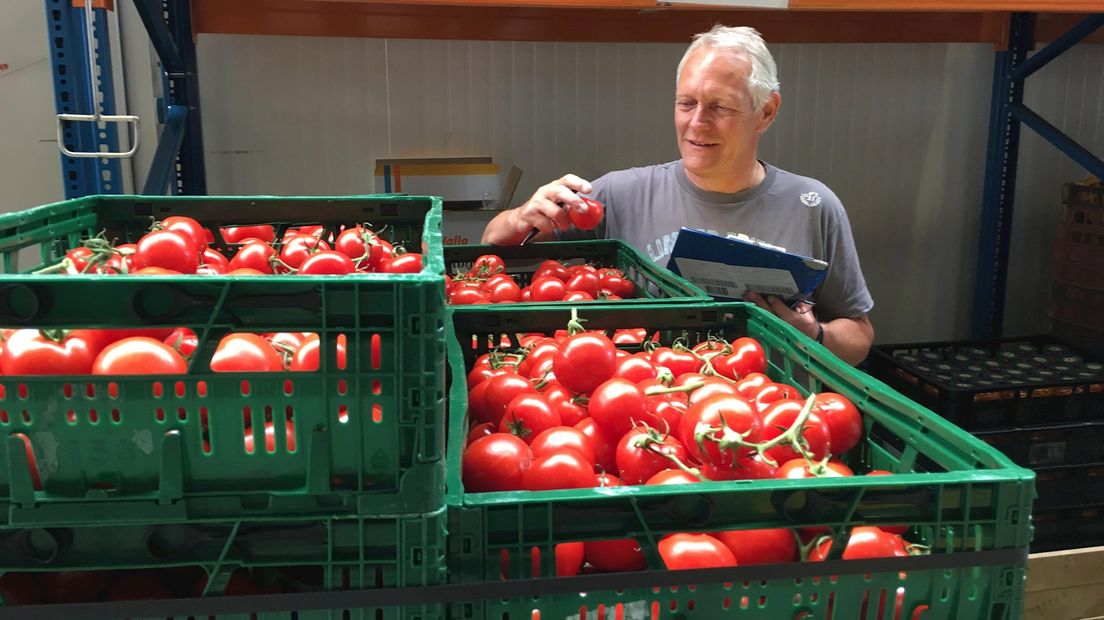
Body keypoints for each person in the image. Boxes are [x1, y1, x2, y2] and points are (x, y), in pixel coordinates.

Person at [482, 25, 874, 365]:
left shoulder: (813, 205)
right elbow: (493, 251)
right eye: (686, 103)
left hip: (769, 415)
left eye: (719, 107)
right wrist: (520, 217)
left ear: (767, 112)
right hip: (658, 420)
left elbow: (859, 335)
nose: (696, 123)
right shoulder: (622, 194)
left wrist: (815, 335)